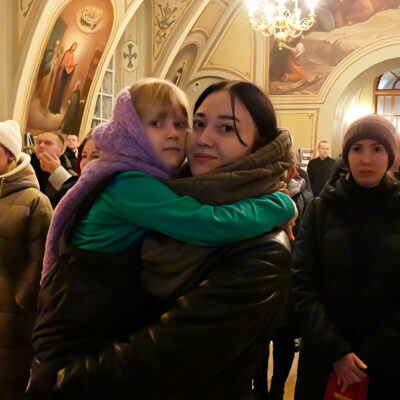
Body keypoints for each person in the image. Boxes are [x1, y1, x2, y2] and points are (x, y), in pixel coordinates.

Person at [27, 79, 296, 399]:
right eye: (199, 124)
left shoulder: (264, 251)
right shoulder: (141, 186)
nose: (201, 138)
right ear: (132, 131)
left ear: (259, 145)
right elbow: (205, 222)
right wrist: (280, 205)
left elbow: (169, 358)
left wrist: (62, 384)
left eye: (226, 128)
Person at [293, 114, 400, 399]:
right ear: (346, 155)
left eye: (377, 148)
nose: (366, 159)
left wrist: (367, 357)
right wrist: (336, 351)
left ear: (390, 155)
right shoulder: (319, 210)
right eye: (357, 148)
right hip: (323, 360)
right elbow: (301, 285)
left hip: (387, 365)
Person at [0, 120, 52, 399]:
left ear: (10, 154)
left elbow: (40, 261)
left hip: (12, 319)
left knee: (9, 382)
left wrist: (18, 302)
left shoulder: (34, 201)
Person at [252, 164, 313, 400]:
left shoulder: (304, 187)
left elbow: (306, 234)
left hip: (291, 270)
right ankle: (259, 389)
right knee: (258, 337)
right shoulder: (255, 188)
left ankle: (277, 390)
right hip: (260, 270)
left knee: (285, 338)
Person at [30, 131, 77, 207]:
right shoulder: (25, 168)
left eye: (48, 143)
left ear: (61, 151)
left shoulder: (70, 176)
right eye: (39, 142)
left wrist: (57, 172)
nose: (41, 146)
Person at [49, 42, 78, 114]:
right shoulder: (67, 53)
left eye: (75, 47)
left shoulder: (72, 54)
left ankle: (57, 109)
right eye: (74, 45)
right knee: (58, 91)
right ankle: (53, 108)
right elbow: (64, 64)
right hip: (62, 74)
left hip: (66, 75)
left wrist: (73, 65)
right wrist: (72, 65)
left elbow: (70, 64)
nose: (74, 47)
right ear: (71, 46)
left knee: (61, 92)